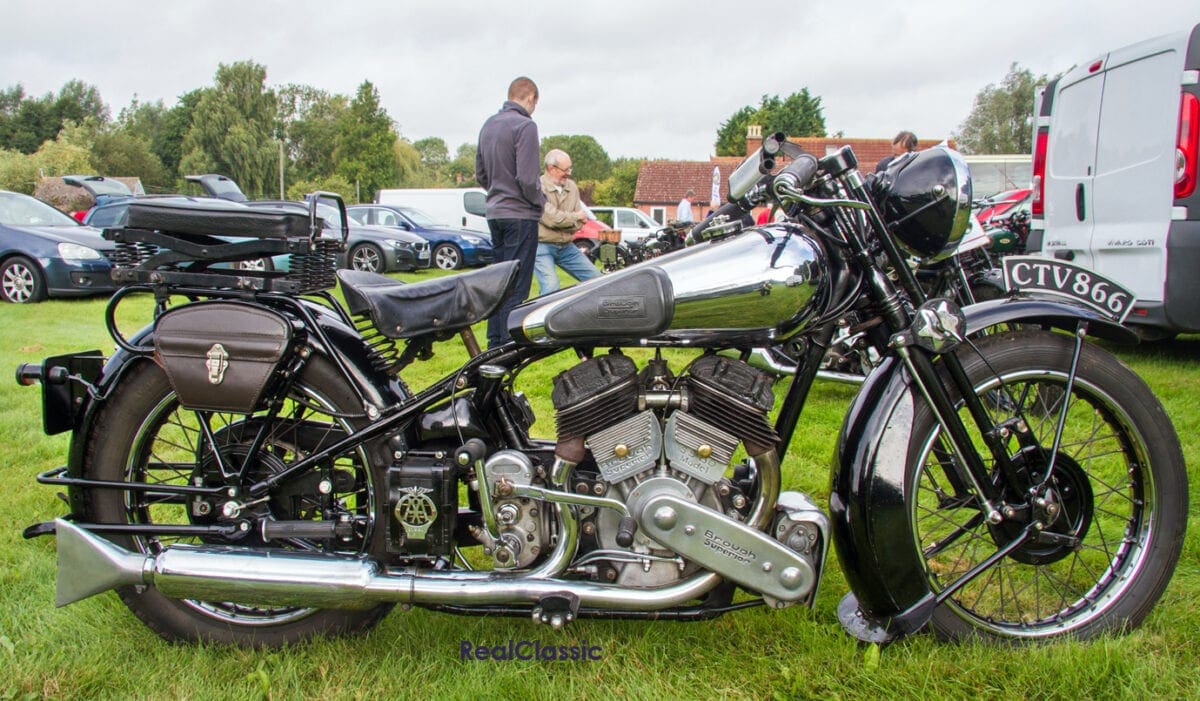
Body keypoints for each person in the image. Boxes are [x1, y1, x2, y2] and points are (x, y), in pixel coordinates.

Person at [476, 76, 543, 348]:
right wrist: (540, 201)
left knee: (499, 283)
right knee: (517, 285)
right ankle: (507, 345)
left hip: (495, 214)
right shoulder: (525, 126)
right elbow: (527, 179)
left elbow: (481, 174)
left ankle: (494, 341)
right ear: (530, 98)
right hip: (520, 215)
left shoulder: (488, 125)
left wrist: (497, 190)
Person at [535, 149, 600, 295]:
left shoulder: (572, 187)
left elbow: (580, 222)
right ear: (552, 169)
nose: (569, 173)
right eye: (566, 169)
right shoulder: (537, 187)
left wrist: (572, 219)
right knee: (550, 288)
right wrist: (575, 217)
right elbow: (551, 220)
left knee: (597, 279)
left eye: (570, 168)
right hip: (542, 246)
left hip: (567, 246)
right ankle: (541, 317)